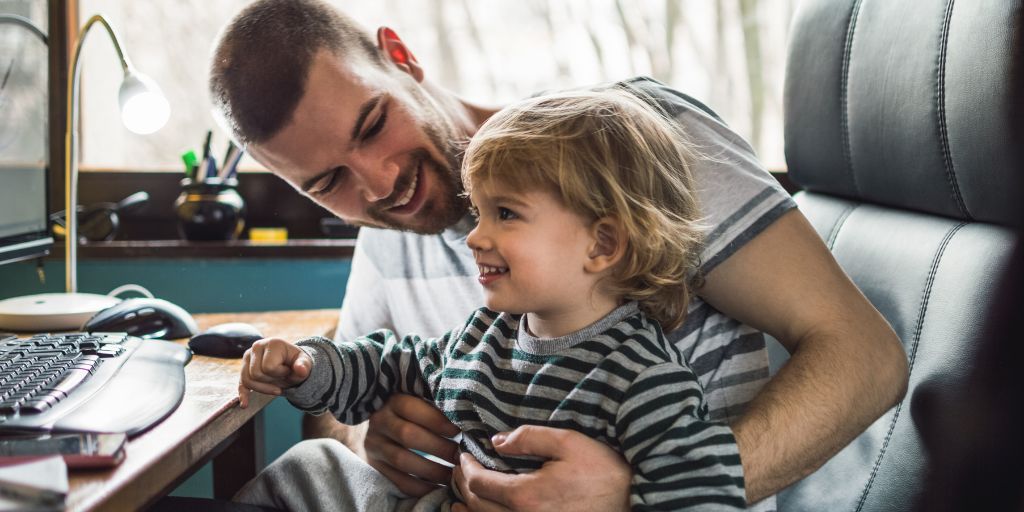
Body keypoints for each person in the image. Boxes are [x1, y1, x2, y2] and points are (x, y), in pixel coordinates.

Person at [209, 0, 909, 509]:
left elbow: (865, 358)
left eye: (372, 125)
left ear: (401, 56)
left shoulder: (630, 146)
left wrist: (629, 494)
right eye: (328, 183)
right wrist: (376, 439)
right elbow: (343, 405)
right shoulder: (388, 231)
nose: (380, 184)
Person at [234, 88, 748, 510]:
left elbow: (704, 492)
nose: (475, 238)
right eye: (478, 213)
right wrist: (307, 365)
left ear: (603, 244)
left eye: (505, 214)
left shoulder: (644, 377)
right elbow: (391, 364)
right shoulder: (485, 335)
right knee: (313, 465)